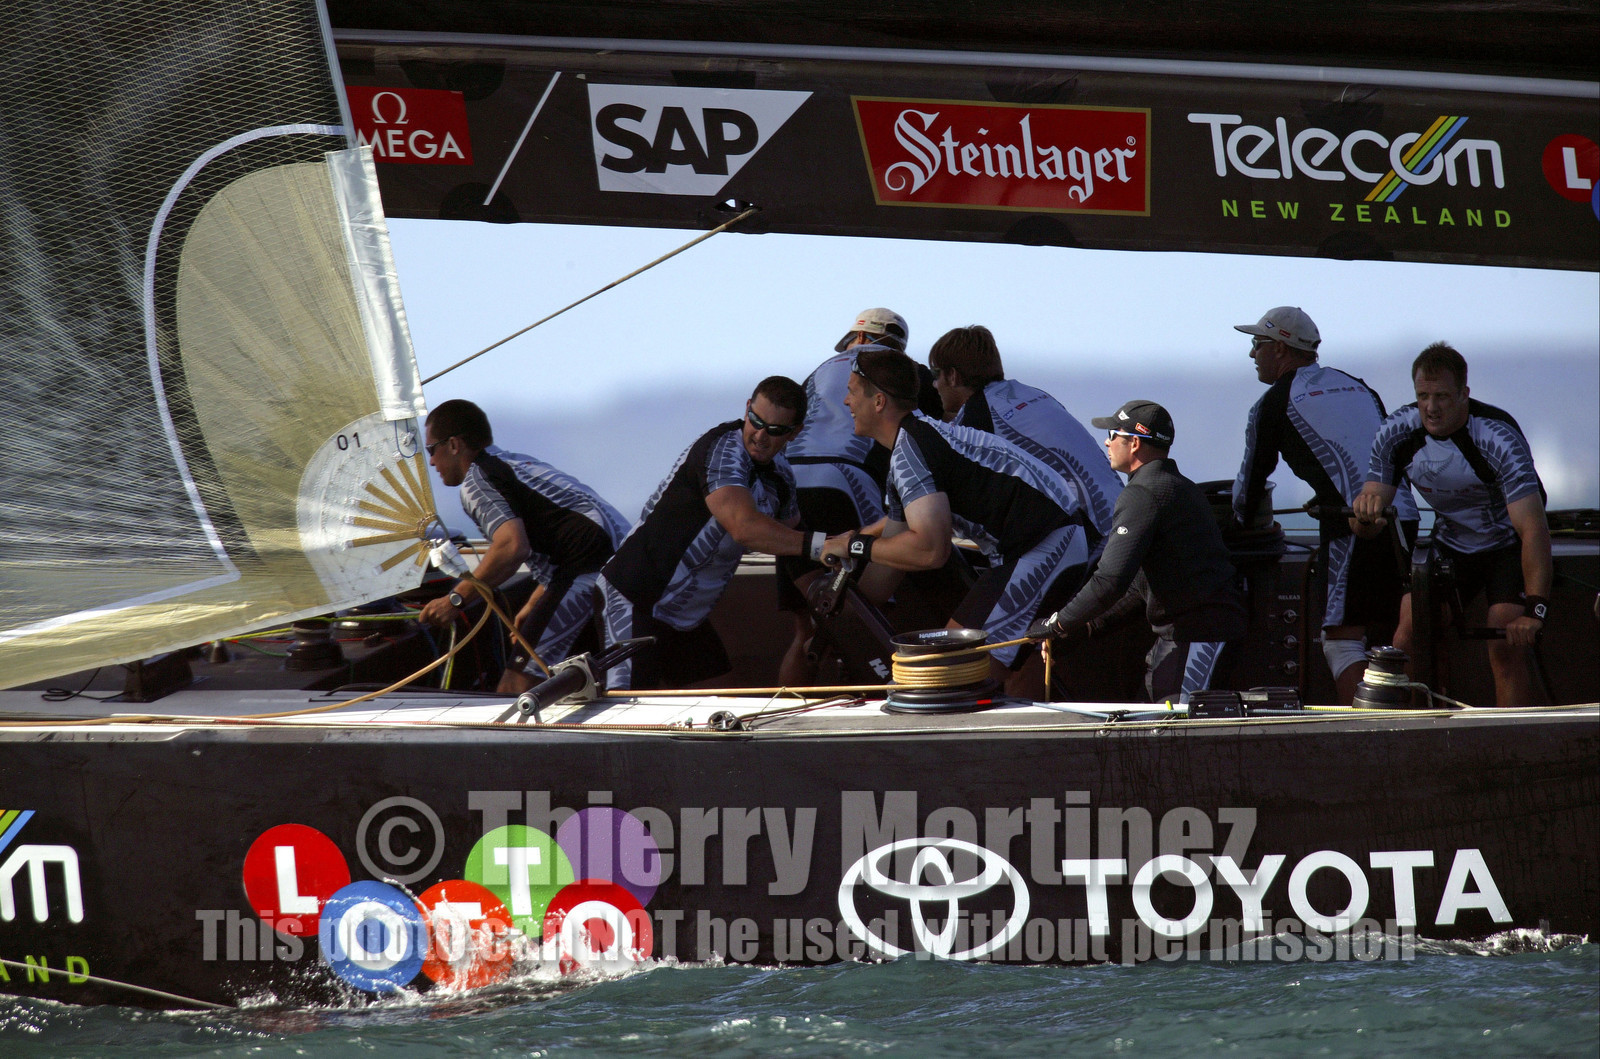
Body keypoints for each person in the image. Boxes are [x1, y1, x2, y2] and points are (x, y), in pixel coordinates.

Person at [820, 346, 1092, 698]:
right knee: (981, 672)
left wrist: (854, 545)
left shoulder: (912, 450)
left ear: (879, 402)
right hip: (1040, 543)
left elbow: (930, 551)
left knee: (948, 675)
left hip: (1045, 545)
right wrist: (841, 600)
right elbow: (887, 570)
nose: (845, 401)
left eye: (852, 391)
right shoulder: (917, 439)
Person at [1231, 306, 1420, 703]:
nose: (1251, 354)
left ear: (1281, 349)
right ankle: (1407, 721)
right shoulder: (1357, 384)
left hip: (1356, 525)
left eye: (1257, 344)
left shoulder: (1272, 404)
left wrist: (1239, 529)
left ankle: (1371, 730)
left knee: (1340, 640)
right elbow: (1376, 452)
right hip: (1405, 516)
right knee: (1387, 638)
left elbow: (1248, 490)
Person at [1353, 342, 1551, 706]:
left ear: (1464, 395)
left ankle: (1510, 744)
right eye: (1423, 395)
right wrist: (1364, 517)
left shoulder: (1497, 437)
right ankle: (1406, 734)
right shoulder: (1396, 433)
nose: (1431, 407)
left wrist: (1536, 610)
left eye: (1442, 396)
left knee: (1504, 639)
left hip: (1506, 545)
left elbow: (1533, 529)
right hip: (1452, 543)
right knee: (1407, 633)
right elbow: (1368, 520)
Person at [599, 376, 819, 690]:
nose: (760, 435)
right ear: (746, 409)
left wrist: (825, 595)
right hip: (636, 595)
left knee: (724, 708)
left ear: (794, 433)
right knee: (626, 708)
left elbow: (792, 540)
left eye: (775, 430)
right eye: (755, 421)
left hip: (685, 617)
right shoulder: (722, 449)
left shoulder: (781, 475)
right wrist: (824, 544)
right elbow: (745, 528)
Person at [1028, 400, 1248, 704]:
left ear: (1134, 443)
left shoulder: (1143, 494)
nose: (1106, 441)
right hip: (1185, 636)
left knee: (1172, 737)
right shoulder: (1179, 487)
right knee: (1147, 733)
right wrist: (1086, 627)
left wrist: (1057, 623)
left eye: (1112, 434)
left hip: (1197, 637)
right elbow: (1138, 585)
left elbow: (1110, 580)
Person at [420, 400, 629, 694]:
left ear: (454, 445)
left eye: (431, 449)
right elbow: (564, 534)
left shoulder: (476, 482)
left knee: (513, 689)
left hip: (587, 575)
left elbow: (511, 547)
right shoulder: (518, 464)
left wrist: (455, 600)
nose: (431, 461)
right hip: (621, 567)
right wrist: (536, 601)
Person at [776, 309, 907, 683]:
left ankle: (780, 721)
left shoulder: (815, 373)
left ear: (860, 338)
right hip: (846, 489)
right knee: (861, 619)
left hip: (789, 492)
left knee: (807, 629)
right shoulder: (898, 370)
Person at [929, 324, 1122, 536]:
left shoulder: (977, 415)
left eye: (936, 374)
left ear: (953, 376)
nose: (935, 384)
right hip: (1123, 514)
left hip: (1093, 533)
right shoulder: (1034, 394)